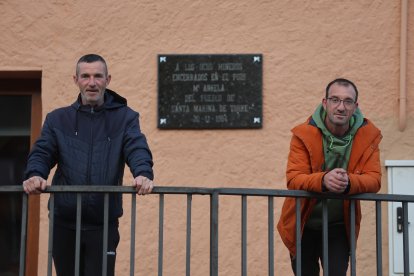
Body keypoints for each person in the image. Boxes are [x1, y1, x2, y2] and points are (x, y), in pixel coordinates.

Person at [22, 54, 154, 276]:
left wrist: (143, 173)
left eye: (97, 76)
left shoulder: (125, 117)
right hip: (64, 222)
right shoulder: (57, 119)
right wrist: (35, 174)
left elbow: (136, 147)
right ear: (76, 80)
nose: (92, 82)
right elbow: (43, 152)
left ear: (107, 80)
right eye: (85, 76)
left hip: (103, 224)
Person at [277, 78, 382, 276]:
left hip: (339, 225)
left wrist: (349, 181)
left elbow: (375, 179)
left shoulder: (369, 135)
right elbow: (294, 179)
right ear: (325, 103)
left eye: (347, 101)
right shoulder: (303, 133)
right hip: (302, 222)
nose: (341, 107)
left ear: (355, 107)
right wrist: (323, 180)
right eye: (335, 100)